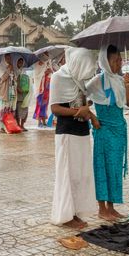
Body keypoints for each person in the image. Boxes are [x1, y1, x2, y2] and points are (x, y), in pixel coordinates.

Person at [49, 47, 98, 230]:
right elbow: (55, 108)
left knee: (80, 175)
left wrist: (89, 114)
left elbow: (83, 105)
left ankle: (75, 212)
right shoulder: (58, 77)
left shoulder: (79, 80)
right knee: (67, 174)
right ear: (78, 64)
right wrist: (79, 111)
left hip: (82, 131)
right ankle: (65, 215)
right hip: (67, 133)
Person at [86, 45, 129, 222]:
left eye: (120, 59)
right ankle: (101, 209)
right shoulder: (97, 81)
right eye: (115, 60)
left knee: (114, 170)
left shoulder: (121, 80)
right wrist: (92, 117)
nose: (119, 63)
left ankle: (112, 207)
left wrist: (128, 85)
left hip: (119, 131)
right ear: (106, 62)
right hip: (104, 131)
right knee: (102, 168)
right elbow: (82, 97)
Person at [0, 54, 17, 134]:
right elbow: (3, 78)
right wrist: (8, 70)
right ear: (4, 58)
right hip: (4, 91)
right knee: (2, 108)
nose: (8, 59)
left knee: (9, 108)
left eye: (10, 57)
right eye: (7, 57)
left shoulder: (12, 66)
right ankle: (1, 127)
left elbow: (14, 77)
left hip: (11, 90)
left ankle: (7, 125)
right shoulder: (0, 66)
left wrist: (12, 71)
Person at [33, 56, 53, 127]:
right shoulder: (38, 62)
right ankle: (39, 121)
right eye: (46, 53)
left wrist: (50, 71)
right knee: (39, 103)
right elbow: (37, 74)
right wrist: (45, 72)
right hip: (40, 86)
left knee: (45, 104)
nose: (47, 55)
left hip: (47, 85)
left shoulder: (48, 61)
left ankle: (44, 120)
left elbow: (52, 71)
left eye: (48, 53)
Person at [15, 57, 31, 131]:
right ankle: (18, 125)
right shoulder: (15, 71)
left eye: (22, 62)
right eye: (19, 62)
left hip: (25, 94)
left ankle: (22, 125)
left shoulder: (24, 71)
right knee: (18, 111)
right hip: (18, 94)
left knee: (25, 110)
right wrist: (18, 88)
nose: (20, 64)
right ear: (16, 63)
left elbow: (28, 81)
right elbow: (14, 82)